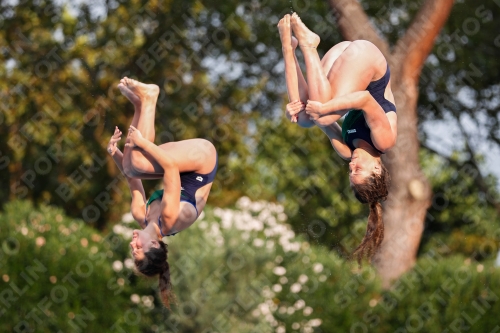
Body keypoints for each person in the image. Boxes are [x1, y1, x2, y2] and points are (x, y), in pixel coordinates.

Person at [277, 13, 397, 263]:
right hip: (366, 59)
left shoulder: (346, 150)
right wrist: (322, 110)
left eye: (350, 173)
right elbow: (364, 100)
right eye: (358, 170)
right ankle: (309, 46)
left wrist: (295, 113)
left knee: (306, 120)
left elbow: (312, 117)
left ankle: (290, 48)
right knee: (321, 113)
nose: (351, 166)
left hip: (341, 63)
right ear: (376, 168)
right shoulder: (384, 141)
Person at [106, 77, 218, 307]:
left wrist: (114, 153)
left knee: (130, 165)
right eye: (139, 250)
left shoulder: (141, 215)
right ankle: (149, 97)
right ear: (155, 245)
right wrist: (143, 143)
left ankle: (139, 105)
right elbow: (170, 168)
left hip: (181, 168)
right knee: (136, 159)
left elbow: (131, 179)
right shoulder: (169, 220)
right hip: (202, 161)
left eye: (132, 251)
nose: (132, 245)